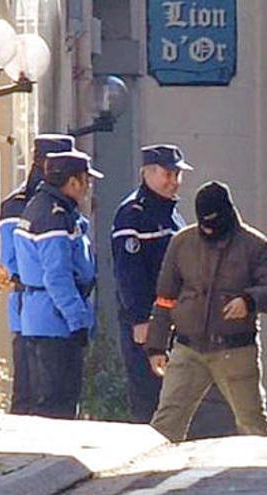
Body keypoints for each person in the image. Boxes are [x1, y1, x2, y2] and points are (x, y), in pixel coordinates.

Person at [145, 181, 267, 442]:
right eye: (204, 224)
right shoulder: (182, 243)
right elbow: (165, 298)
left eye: (214, 223)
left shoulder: (255, 245)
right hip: (188, 349)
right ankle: (147, 478)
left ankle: (266, 474)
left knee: (252, 422)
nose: (209, 230)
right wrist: (156, 346)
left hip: (235, 349)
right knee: (166, 422)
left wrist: (249, 300)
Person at [14, 150, 103, 419]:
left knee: (49, 399)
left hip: (39, 316)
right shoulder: (55, 216)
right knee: (57, 404)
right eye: (86, 181)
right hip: (55, 321)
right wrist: (77, 321)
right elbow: (57, 276)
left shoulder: (39, 207)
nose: (88, 188)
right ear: (73, 182)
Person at [111, 144, 191, 423]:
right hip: (148, 318)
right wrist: (140, 318)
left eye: (177, 175)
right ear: (147, 173)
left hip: (173, 316)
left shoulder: (171, 213)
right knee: (148, 393)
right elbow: (128, 272)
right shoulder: (134, 213)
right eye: (168, 174)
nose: (174, 182)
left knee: (172, 392)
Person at [0, 134, 76, 415]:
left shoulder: (66, 206)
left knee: (57, 391)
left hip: (53, 306)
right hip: (30, 304)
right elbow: (12, 262)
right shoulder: (18, 205)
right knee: (29, 391)